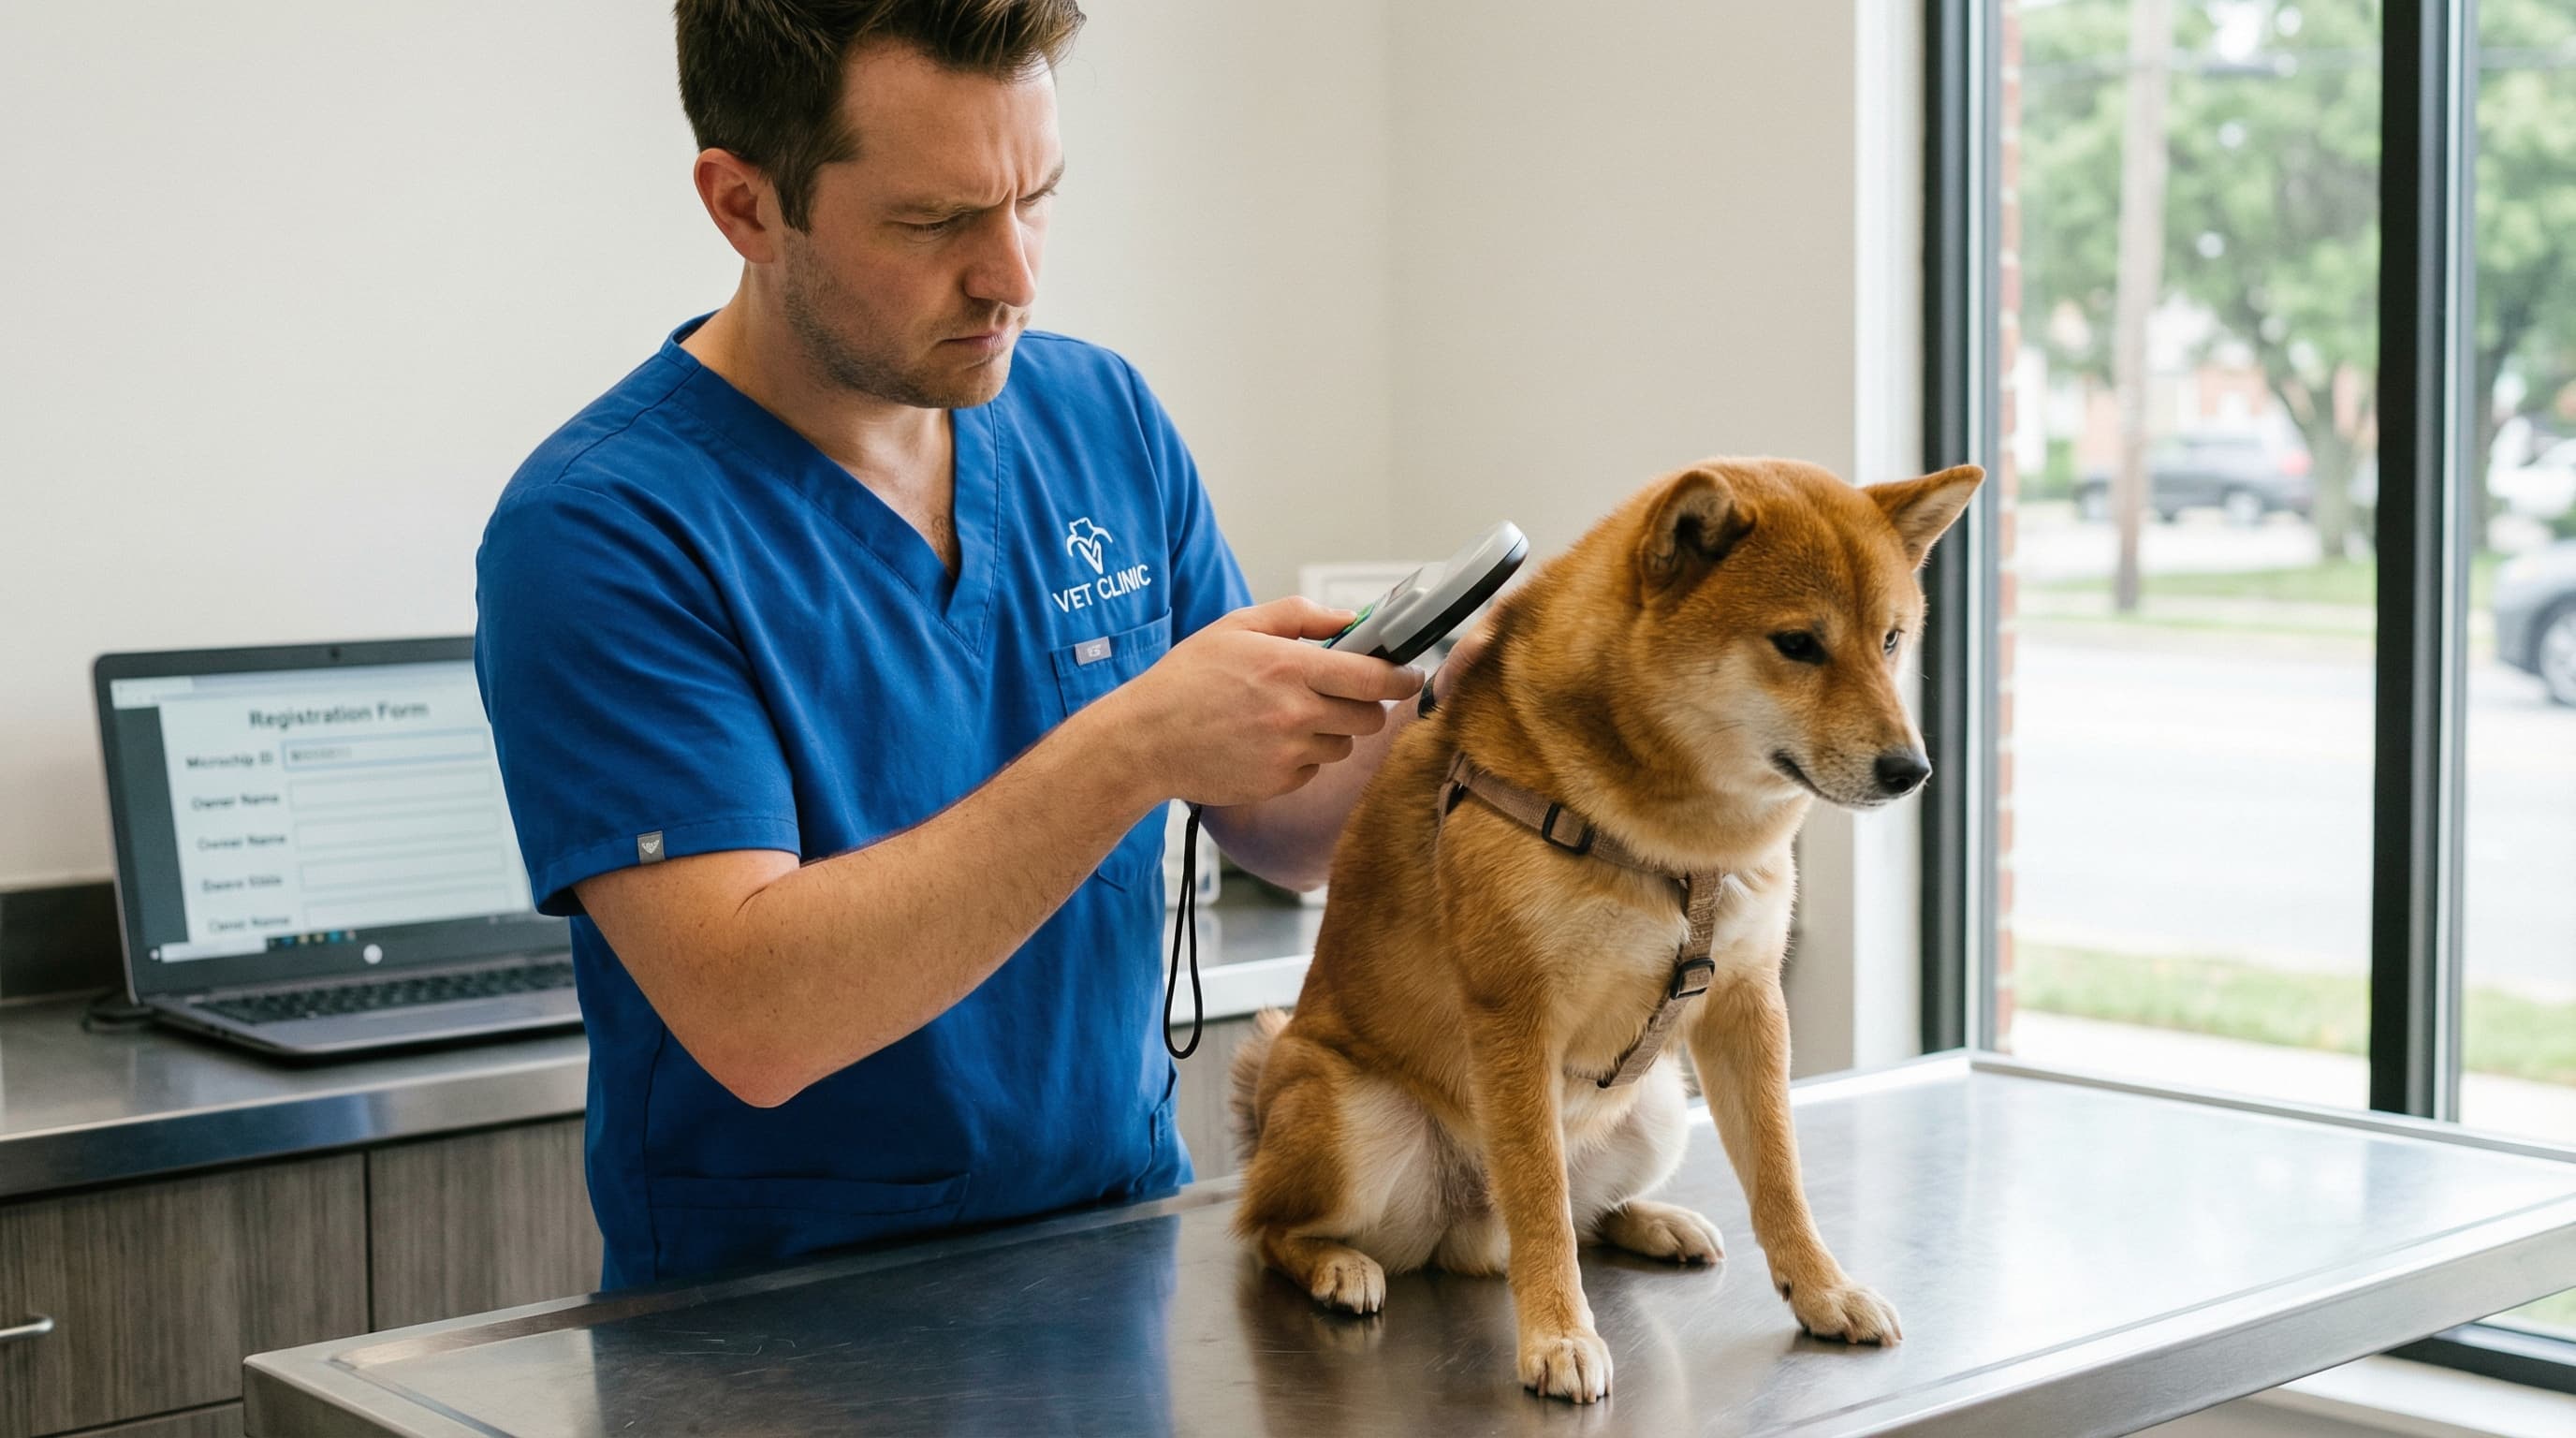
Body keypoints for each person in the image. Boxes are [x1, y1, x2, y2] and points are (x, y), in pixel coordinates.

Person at [473, 0, 1463, 1287]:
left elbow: (1281, 826)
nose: (1015, 276)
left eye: (1035, 198)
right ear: (745, 206)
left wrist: (1460, 704)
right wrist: (1134, 744)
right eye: (935, 222)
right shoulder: (606, 529)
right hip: (775, 1332)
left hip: (1119, 1258)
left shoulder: (1098, 417)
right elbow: (756, 1016)